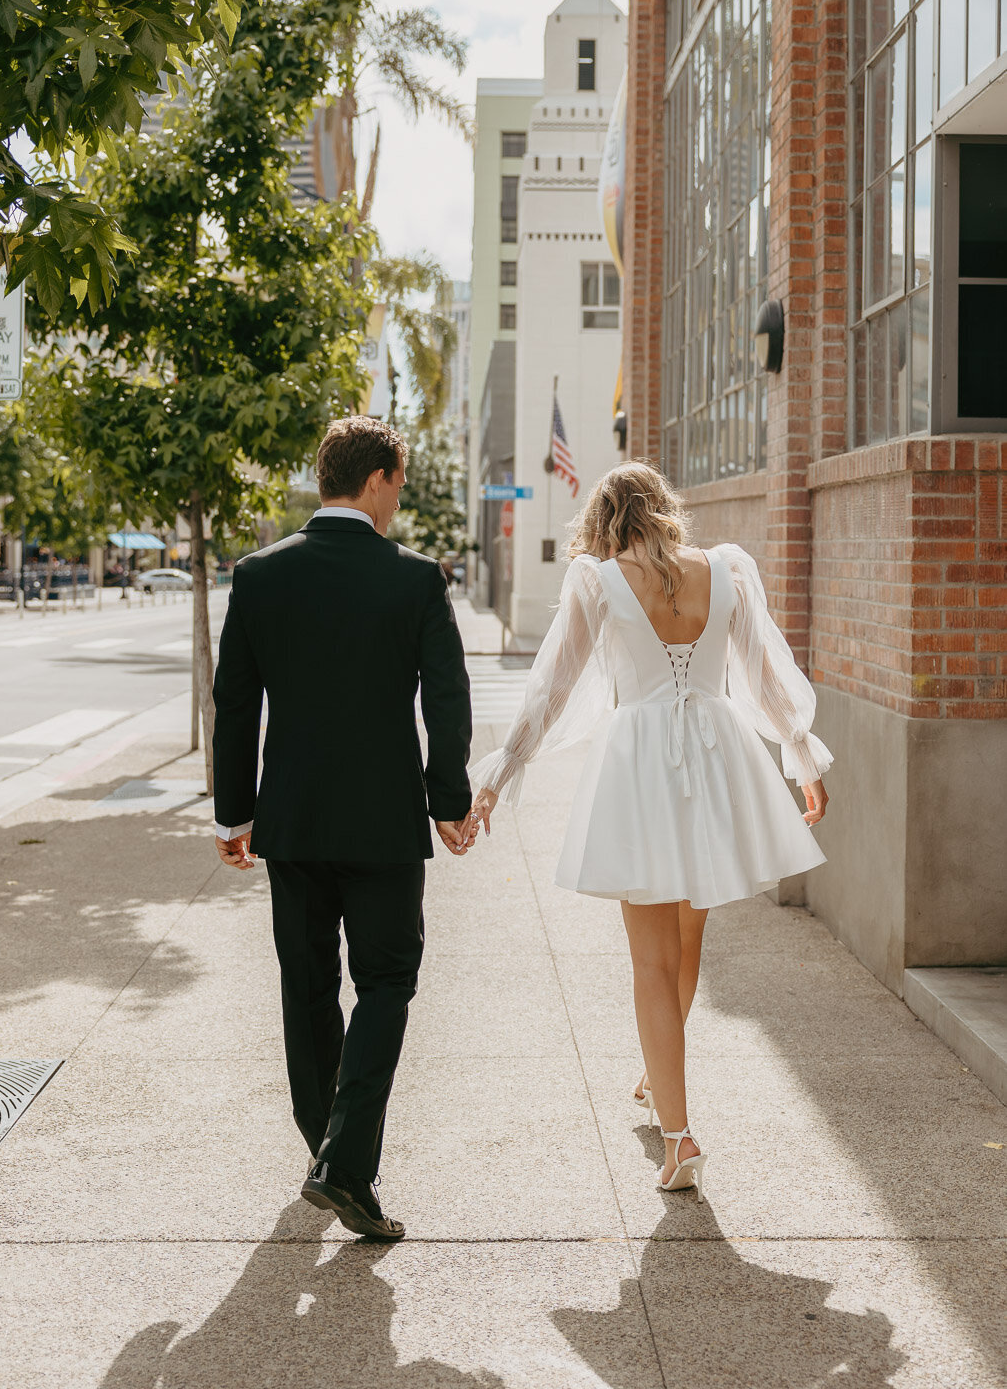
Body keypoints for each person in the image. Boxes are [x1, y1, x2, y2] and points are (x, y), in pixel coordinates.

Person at [468, 462, 831, 1202]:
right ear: (664, 509)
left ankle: (680, 1136)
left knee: (649, 964)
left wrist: (498, 775)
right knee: (686, 943)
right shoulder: (726, 569)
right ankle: (657, 1078)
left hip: (639, 770)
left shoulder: (596, 581)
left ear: (603, 520)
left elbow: (551, 689)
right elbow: (763, 674)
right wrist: (802, 760)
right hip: (714, 761)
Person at [212, 416, 477, 1241]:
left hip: (289, 822)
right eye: (399, 481)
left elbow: (233, 705)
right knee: (388, 981)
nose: (399, 496)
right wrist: (448, 801)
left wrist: (235, 810)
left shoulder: (259, 576)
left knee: (306, 987)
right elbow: (447, 700)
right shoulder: (414, 580)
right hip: (382, 824)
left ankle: (329, 1154)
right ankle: (341, 1162)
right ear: (376, 479)